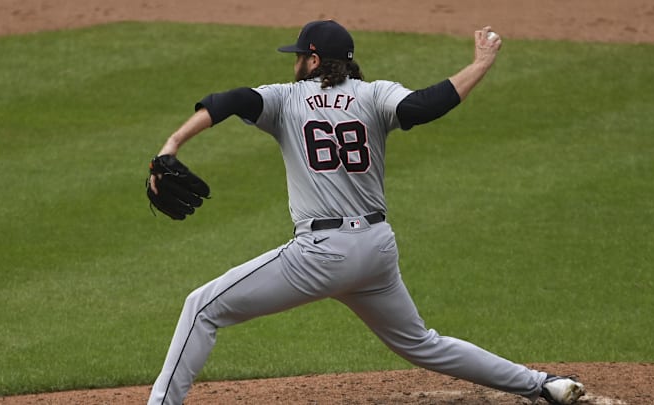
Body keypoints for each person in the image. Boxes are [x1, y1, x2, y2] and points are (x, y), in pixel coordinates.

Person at [146, 20, 586, 405]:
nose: (295, 62)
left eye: (300, 55)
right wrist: (481, 64)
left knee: (201, 308)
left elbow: (230, 100)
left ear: (314, 60)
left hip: (320, 255)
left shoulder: (285, 99)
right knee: (422, 343)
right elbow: (425, 106)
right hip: (376, 251)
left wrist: (172, 144)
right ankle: (543, 385)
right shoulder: (375, 95)